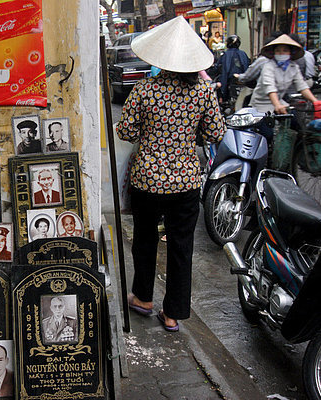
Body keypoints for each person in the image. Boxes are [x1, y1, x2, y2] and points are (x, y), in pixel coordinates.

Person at [117, 16, 225, 332]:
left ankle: (143, 298)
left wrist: (148, 132)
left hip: (147, 181)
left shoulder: (144, 89)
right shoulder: (204, 91)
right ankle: (173, 313)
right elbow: (216, 132)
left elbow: (125, 130)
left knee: (145, 240)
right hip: (186, 183)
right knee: (181, 246)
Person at [248, 34, 321, 140]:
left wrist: (315, 101)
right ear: (273, 53)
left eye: (284, 50)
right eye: (278, 51)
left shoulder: (293, 67)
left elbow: (302, 86)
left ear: (290, 53)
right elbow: (270, 87)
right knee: (267, 135)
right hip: (262, 104)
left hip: (280, 102)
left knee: (298, 126)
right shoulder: (268, 66)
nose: (281, 53)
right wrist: (277, 105)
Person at [216, 35, 249, 103]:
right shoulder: (243, 54)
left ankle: (222, 99)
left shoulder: (225, 54)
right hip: (243, 81)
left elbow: (220, 69)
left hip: (228, 81)